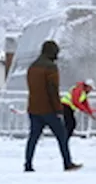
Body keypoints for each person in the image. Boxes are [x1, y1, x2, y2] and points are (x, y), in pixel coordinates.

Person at [24, 40, 81, 172]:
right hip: (48, 109)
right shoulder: (51, 67)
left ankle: (28, 164)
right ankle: (67, 163)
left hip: (33, 108)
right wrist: (58, 108)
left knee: (33, 138)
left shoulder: (32, 67)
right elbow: (52, 89)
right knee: (62, 136)